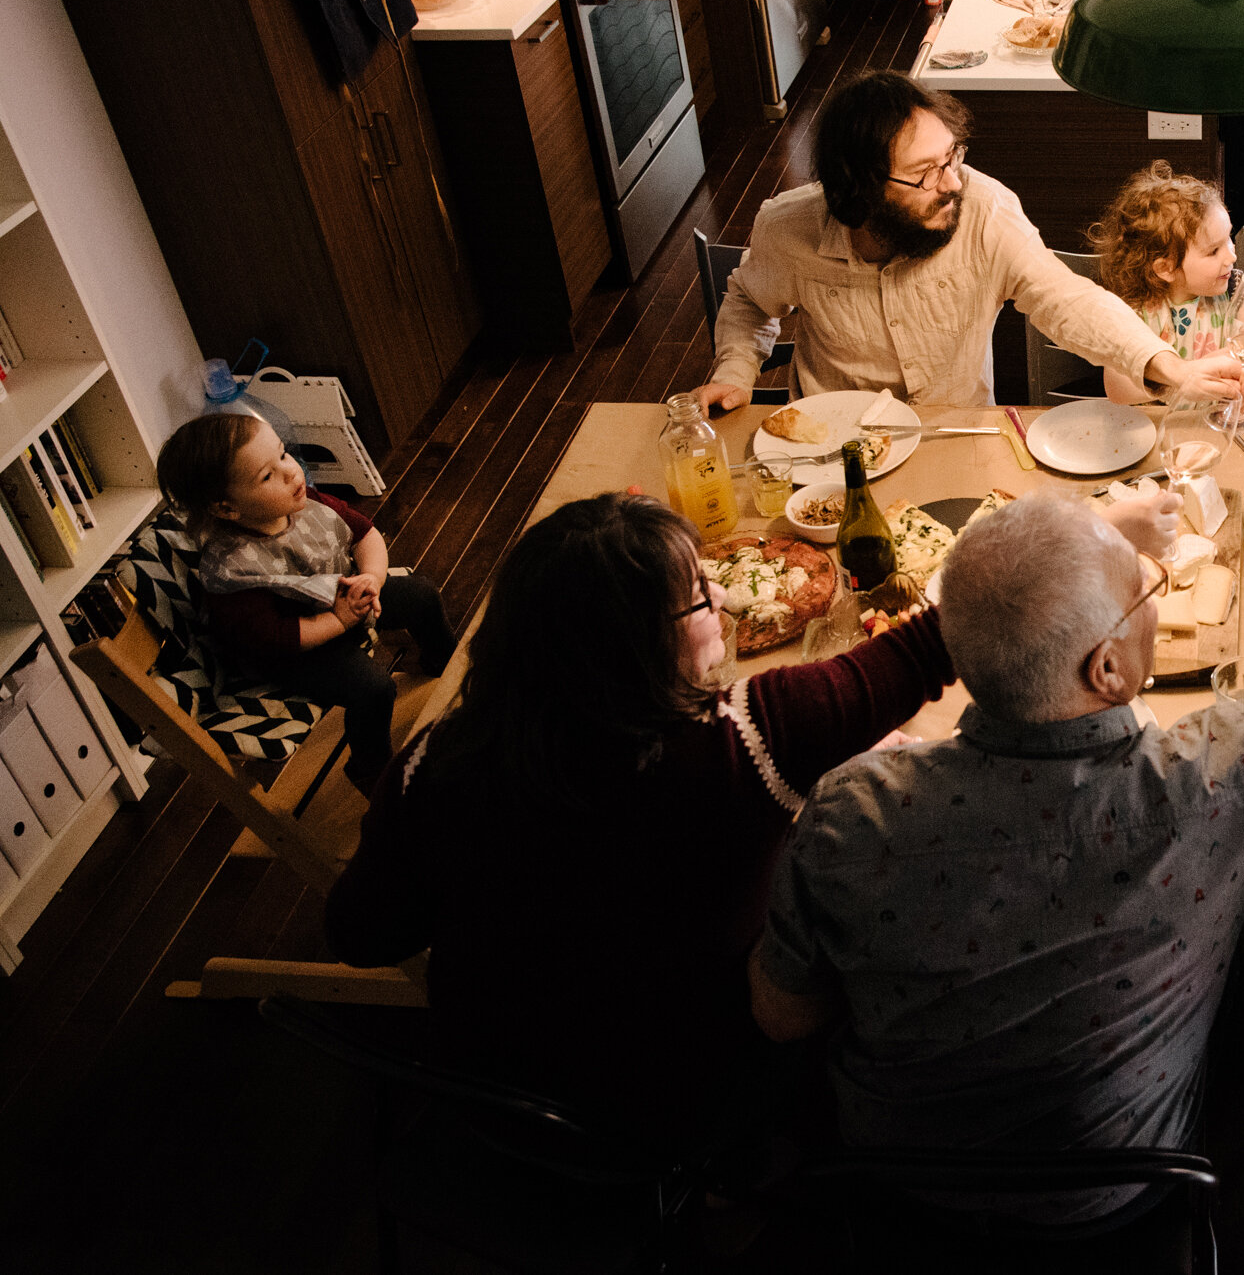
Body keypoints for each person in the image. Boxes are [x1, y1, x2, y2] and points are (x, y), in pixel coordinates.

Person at [749, 479, 1244, 1235]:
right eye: (1147, 593)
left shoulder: (848, 809)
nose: (1155, 602)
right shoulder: (1218, 774)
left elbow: (784, 1016)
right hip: (1119, 1197)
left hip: (893, 1196)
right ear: (1105, 669)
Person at [323, 493, 957, 1145]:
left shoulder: (431, 764)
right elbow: (935, 639)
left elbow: (361, 937)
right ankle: (726, 1201)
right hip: (684, 1100)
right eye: (699, 597)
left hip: (492, 1095)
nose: (717, 596)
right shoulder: (746, 739)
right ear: (639, 647)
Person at [692, 72, 1244, 412]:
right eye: (926, 173)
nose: (954, 183)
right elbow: (747, 301)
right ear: (859, 188)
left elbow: (1066, 299)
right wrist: (734, 372)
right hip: (831, 451)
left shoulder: (985, 208)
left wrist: (1172, 370)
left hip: (958, 438)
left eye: (952, 158)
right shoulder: (786, 227)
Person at [157, 413, 453, 793]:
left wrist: (372, 579)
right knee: (373, 690)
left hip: (343, 600)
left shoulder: (305, 502)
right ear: (227, 509)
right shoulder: (234, 568)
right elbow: (276, 638)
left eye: (282, 454)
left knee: (422, 594)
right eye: (267, 475)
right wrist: (340, 621)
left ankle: (444, 662)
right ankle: (371, 769)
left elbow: (365, 534)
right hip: (295, 651)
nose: (290, 471)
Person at [1087, 159, 1244, 403]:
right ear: (1166, 268)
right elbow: (1118, 391)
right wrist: (1193, 370)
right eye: (1213, 250)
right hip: (1159, 428)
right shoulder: (1138, 310)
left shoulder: (1233, 291)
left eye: (1228, 238)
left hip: (1214, 424)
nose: (1232, 255)